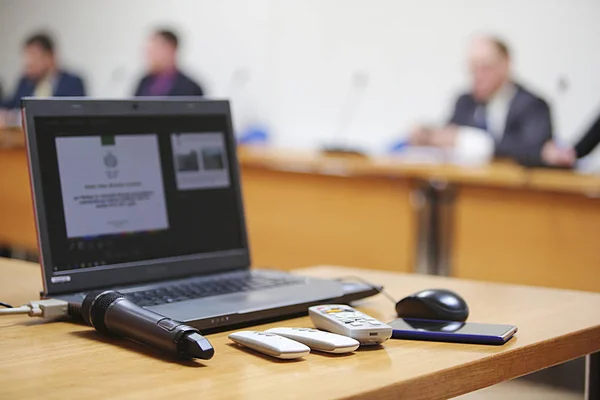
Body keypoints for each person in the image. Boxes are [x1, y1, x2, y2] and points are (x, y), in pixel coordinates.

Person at [408, 36, 553, 166]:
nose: (478, 76)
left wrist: (468, 141)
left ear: (506, 64)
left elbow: (536, 151)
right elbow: (449, 136)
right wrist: (429, 137)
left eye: (485, 67)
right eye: (473, 69)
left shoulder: (533, 106)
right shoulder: (465, 102)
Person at [1, 33, 86, 110]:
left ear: (50, 56)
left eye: (34, 56)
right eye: (27, 57)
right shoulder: (24, 82)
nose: (29, 62)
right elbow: (9, 107)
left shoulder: (72, 83)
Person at [133, 29, 204, 97]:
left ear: (171, 50)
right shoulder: (144, 83)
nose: (150, 56)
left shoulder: (190, 88)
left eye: (155, 49)